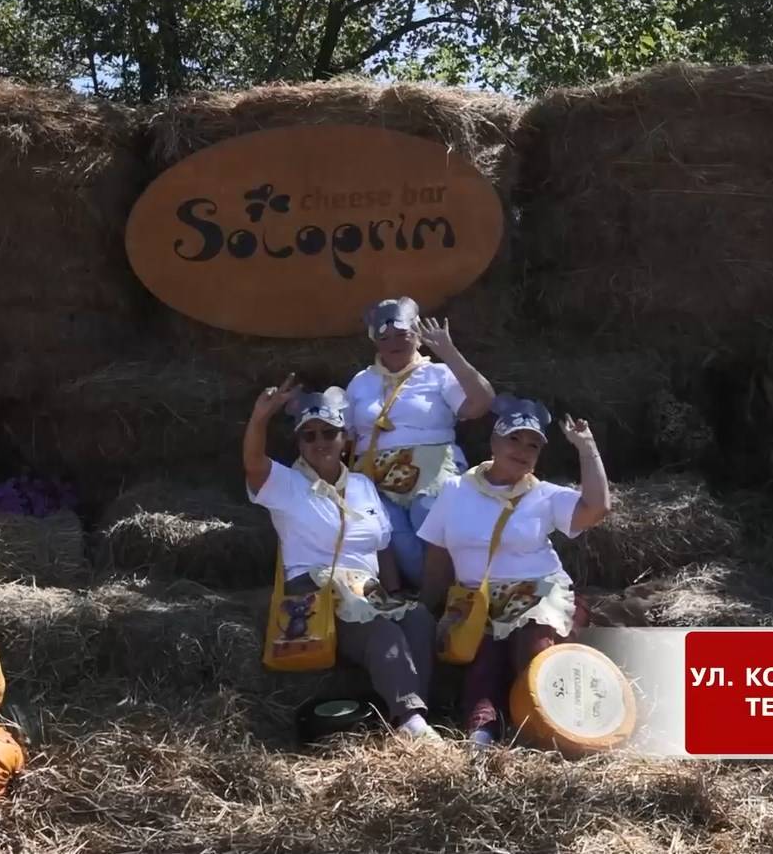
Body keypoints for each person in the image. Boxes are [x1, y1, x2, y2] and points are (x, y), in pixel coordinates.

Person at [243, 374, 442, 742]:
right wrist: (260, 418)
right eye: (309, 435)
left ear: (345, 438)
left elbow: (383, 545)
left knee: (418, 619)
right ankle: (409, 719)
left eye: (329, 432)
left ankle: (415, 715)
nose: (320, 441)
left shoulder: (363, 485)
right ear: (299, 443)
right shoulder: (286, 484)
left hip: (367, 589)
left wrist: (394, 593)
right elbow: (254, 464)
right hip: (315, 589)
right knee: (381, 632)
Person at [417, 395, 612, 749]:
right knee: (485, 655)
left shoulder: (544, 495)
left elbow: (596, 508)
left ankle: (549, 728)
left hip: (536, 593)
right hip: (477, 602)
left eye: (533, 445)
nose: (522, 450)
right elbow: (437, 553)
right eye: (514, 439)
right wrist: (429, 607)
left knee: (533, 647)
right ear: (494, 442)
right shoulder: (455, 490)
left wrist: (587, 449)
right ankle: (483, 730)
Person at [345, 297, 495, 591]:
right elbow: (345, 435)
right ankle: (428, 597)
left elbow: (482, 402)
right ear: (374, 342)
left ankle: (452, 593)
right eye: (384, 337)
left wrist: (449, 352)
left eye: (402, 334)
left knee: (429, 518)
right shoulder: (360, 382)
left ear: (417, 335)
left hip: (430, 468)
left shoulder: (438, 373)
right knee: (392, 535)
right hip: (376, 474)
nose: (394, 343)